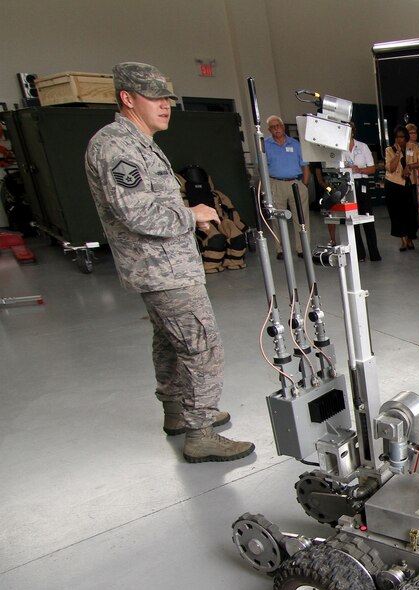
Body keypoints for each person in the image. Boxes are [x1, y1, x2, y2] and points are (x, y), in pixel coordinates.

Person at [84, 62, 254, 463]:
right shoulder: (117, 146)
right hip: (162, 269)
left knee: (170, 341)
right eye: (155, 98)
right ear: (127, 98)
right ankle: (201, 431)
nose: (166, 105)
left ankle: (178, 412)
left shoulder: (138, 142)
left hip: (164, 265)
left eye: (167, 98)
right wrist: (190, 214)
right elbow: (137, 213)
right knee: (201, 344)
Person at [325, 123, 380, 261]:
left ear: (353, 132)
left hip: (361, 182)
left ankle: (374, 253)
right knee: (352, 218)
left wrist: (359, 169)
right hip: (346, 184)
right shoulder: (337, 149)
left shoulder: (362, 146)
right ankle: (359, 254)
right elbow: (332, 167)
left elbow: (372, 168)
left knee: (367, 217)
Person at [264, 115, 310, 259]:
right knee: (278, 218)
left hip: (296, 183)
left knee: (301, 217)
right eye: (273, 127)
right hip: (276, 184)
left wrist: (304, 184)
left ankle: (302, 248)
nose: (276, 129)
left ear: (283, 127)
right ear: (269, 130)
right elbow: (262, 167)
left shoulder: (295, 144)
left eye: (278, 126)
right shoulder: (265, 145)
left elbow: (305, 165)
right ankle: (281, 249)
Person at [385, 125, 418, 251]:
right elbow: (391, 168)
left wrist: (409, 167)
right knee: (397, 213)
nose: (399, 139)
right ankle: (403, 240)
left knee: (411, 212)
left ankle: (410, 237)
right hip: (394, 184)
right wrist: (398, 153)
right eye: (397, 137)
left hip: (408, 184)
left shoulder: (412, 147)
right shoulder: (390, 150)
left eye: (402, 137)